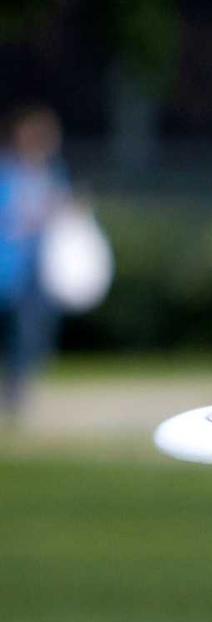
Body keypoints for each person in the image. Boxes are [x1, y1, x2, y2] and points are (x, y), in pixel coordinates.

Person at [0, 105, 70, 425]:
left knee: (29, 334)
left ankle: (18, 390)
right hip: (7, 267)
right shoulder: (7, 172)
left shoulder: (53, 175)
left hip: (37, 272)